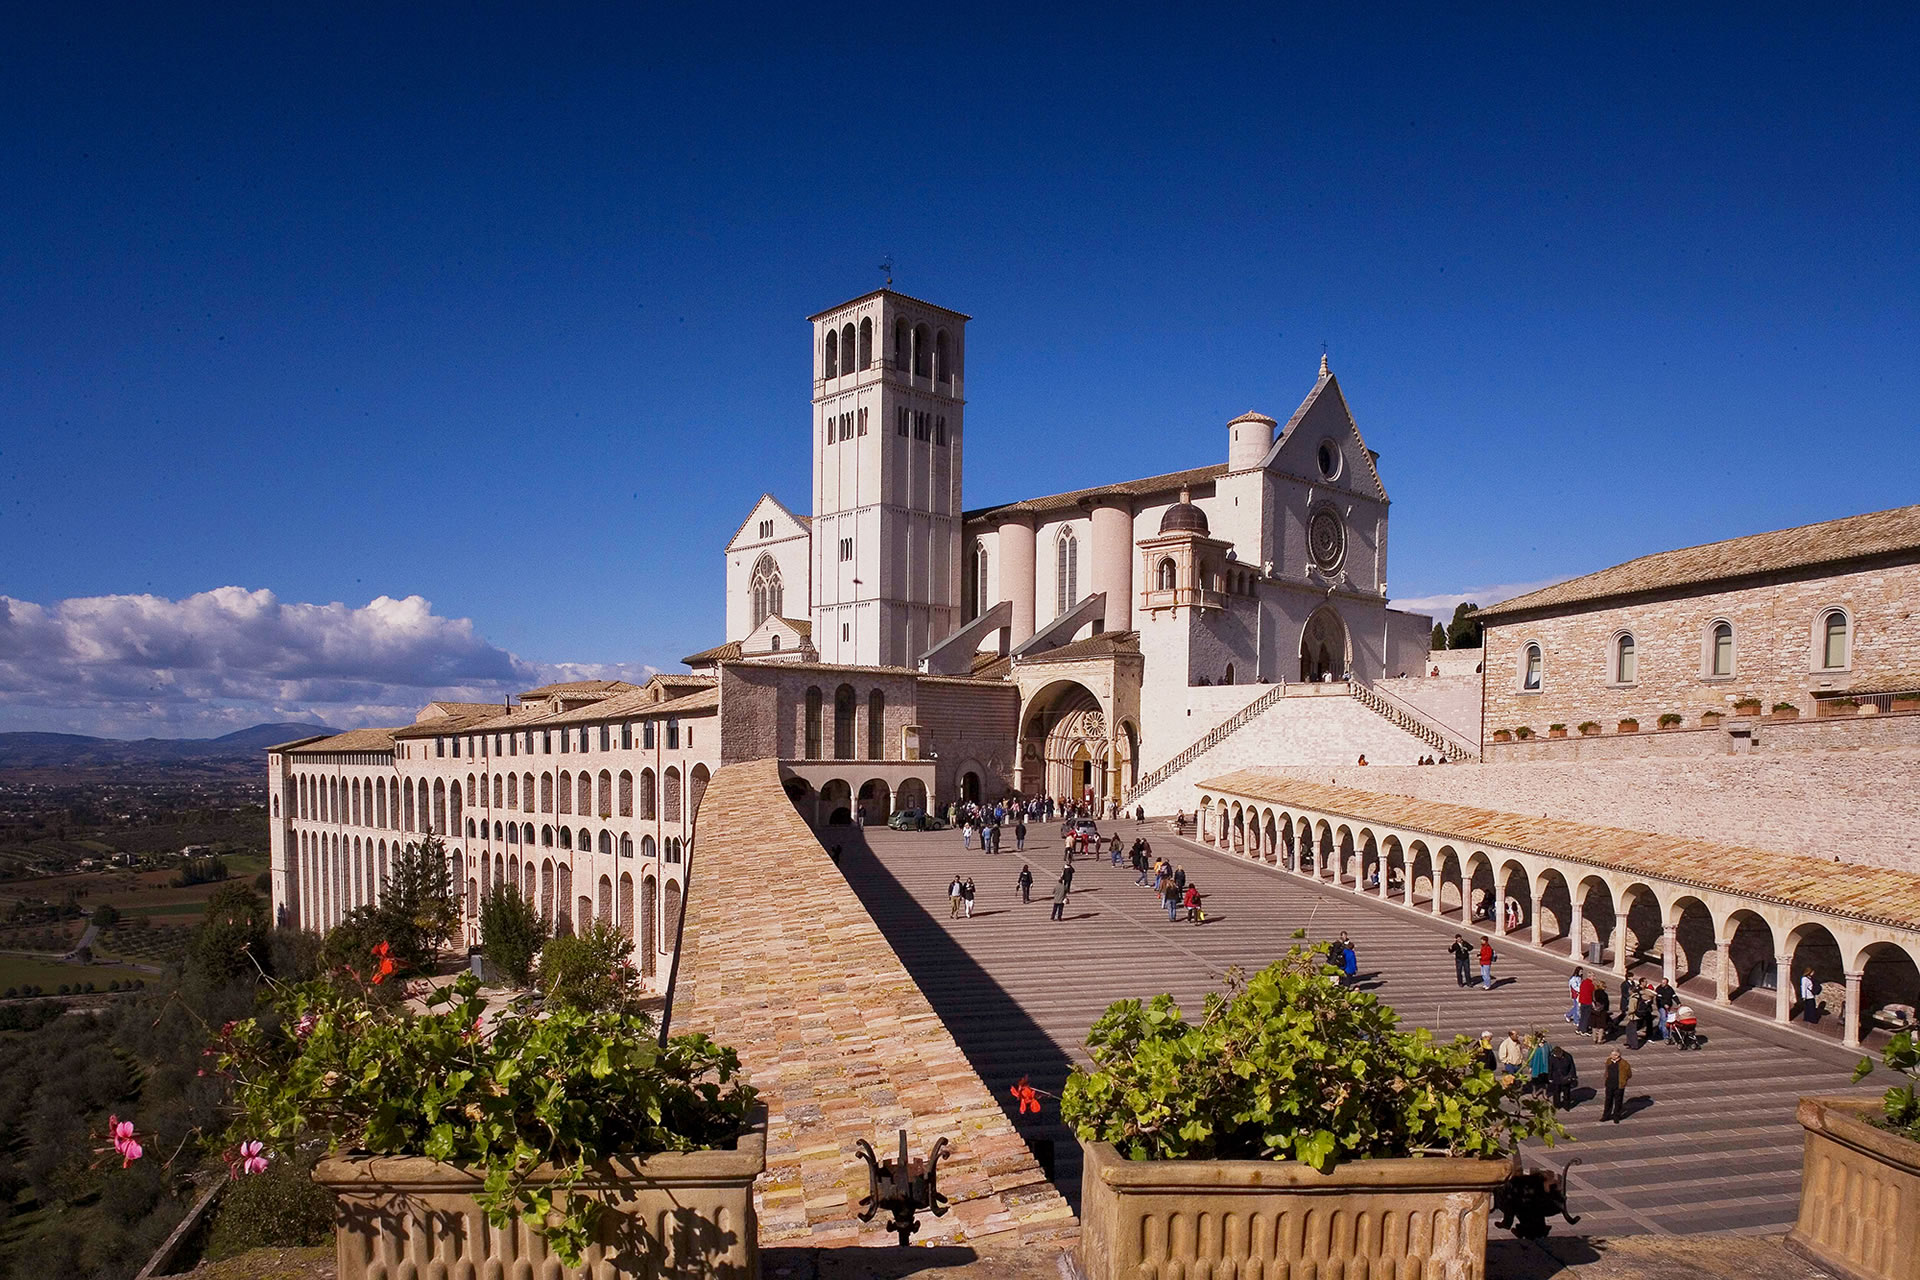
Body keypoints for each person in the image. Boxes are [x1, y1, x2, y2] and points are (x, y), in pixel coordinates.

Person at [1601, 1050, 1632, 1122]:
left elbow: (1629, 1074)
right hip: (1609, 1084)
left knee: (1618, 1101)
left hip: (1619, 1085)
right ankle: (1606, 1116)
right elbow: (1607, 1070)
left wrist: (1623, 1081)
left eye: (1612, 1055)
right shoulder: (1609, 1061)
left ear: (1617, 1056)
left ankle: (1616, 1117)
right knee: (1608, 1100)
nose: (1610, 1056)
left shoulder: (1624, 1064)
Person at [1577, 970, 1596, 1037]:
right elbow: (1591, 995)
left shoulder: (1583, 982)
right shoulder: (1591, 985)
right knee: (1586, 1017)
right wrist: (1593, 1002)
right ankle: (1584, 1030)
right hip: (1588, 1002)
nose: (1594, 977)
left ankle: (1579, 1029)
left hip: (1582, 1001)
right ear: (1590, 977)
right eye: (1593, 976)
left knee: (1582, 1016)